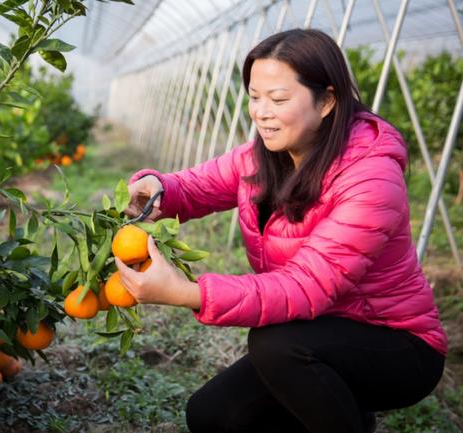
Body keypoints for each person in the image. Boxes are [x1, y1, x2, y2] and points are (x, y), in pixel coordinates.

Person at [114, 28, 447, 433]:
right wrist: (158, 189)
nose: (261, 112)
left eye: (279, 99)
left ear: (327, 100)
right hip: (313, 333)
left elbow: (305, 287)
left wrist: (189, 293)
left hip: (395, 344)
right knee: (211, 415)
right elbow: (198, 187)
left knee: (275, 344)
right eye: (255, 97)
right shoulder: (264, 156)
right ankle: (347, 414)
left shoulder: (370, 178)